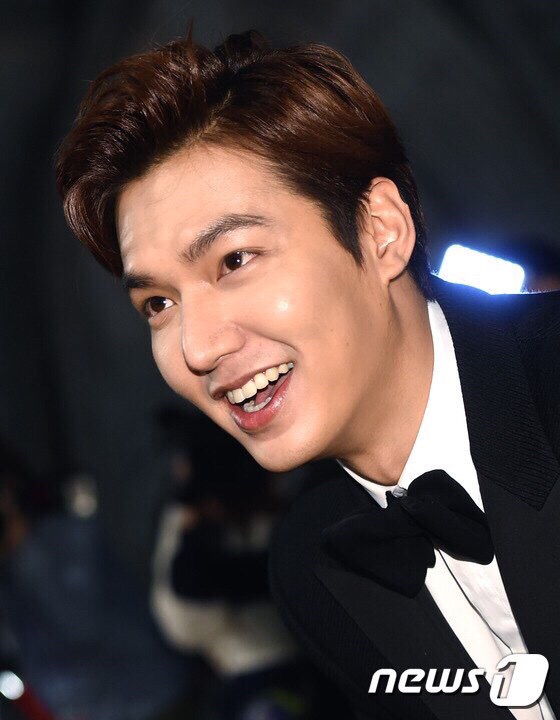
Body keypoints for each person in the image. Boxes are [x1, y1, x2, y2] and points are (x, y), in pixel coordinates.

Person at [55, 29, 560, 720]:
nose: (197, 348)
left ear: (380, 230)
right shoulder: (310, 569)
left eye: (234, 261)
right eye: (159, 304)